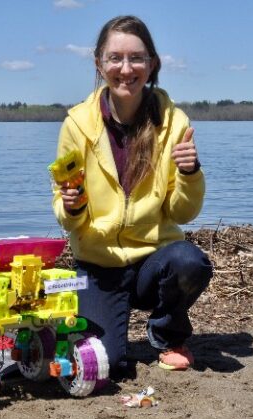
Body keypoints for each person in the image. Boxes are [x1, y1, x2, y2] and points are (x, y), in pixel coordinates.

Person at [51, 15, 212, 372]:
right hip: (97, 265)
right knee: (103, 365)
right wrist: (72, 206)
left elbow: (183, 213)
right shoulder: (76, 125)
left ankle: (167, 334)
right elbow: (65, 215)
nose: (126, 69)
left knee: (190, 262)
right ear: (99, 64)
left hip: (152, 263)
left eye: (136, 58)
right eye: (115, 58)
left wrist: (189, 172)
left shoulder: (176, 123)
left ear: (152, 64)